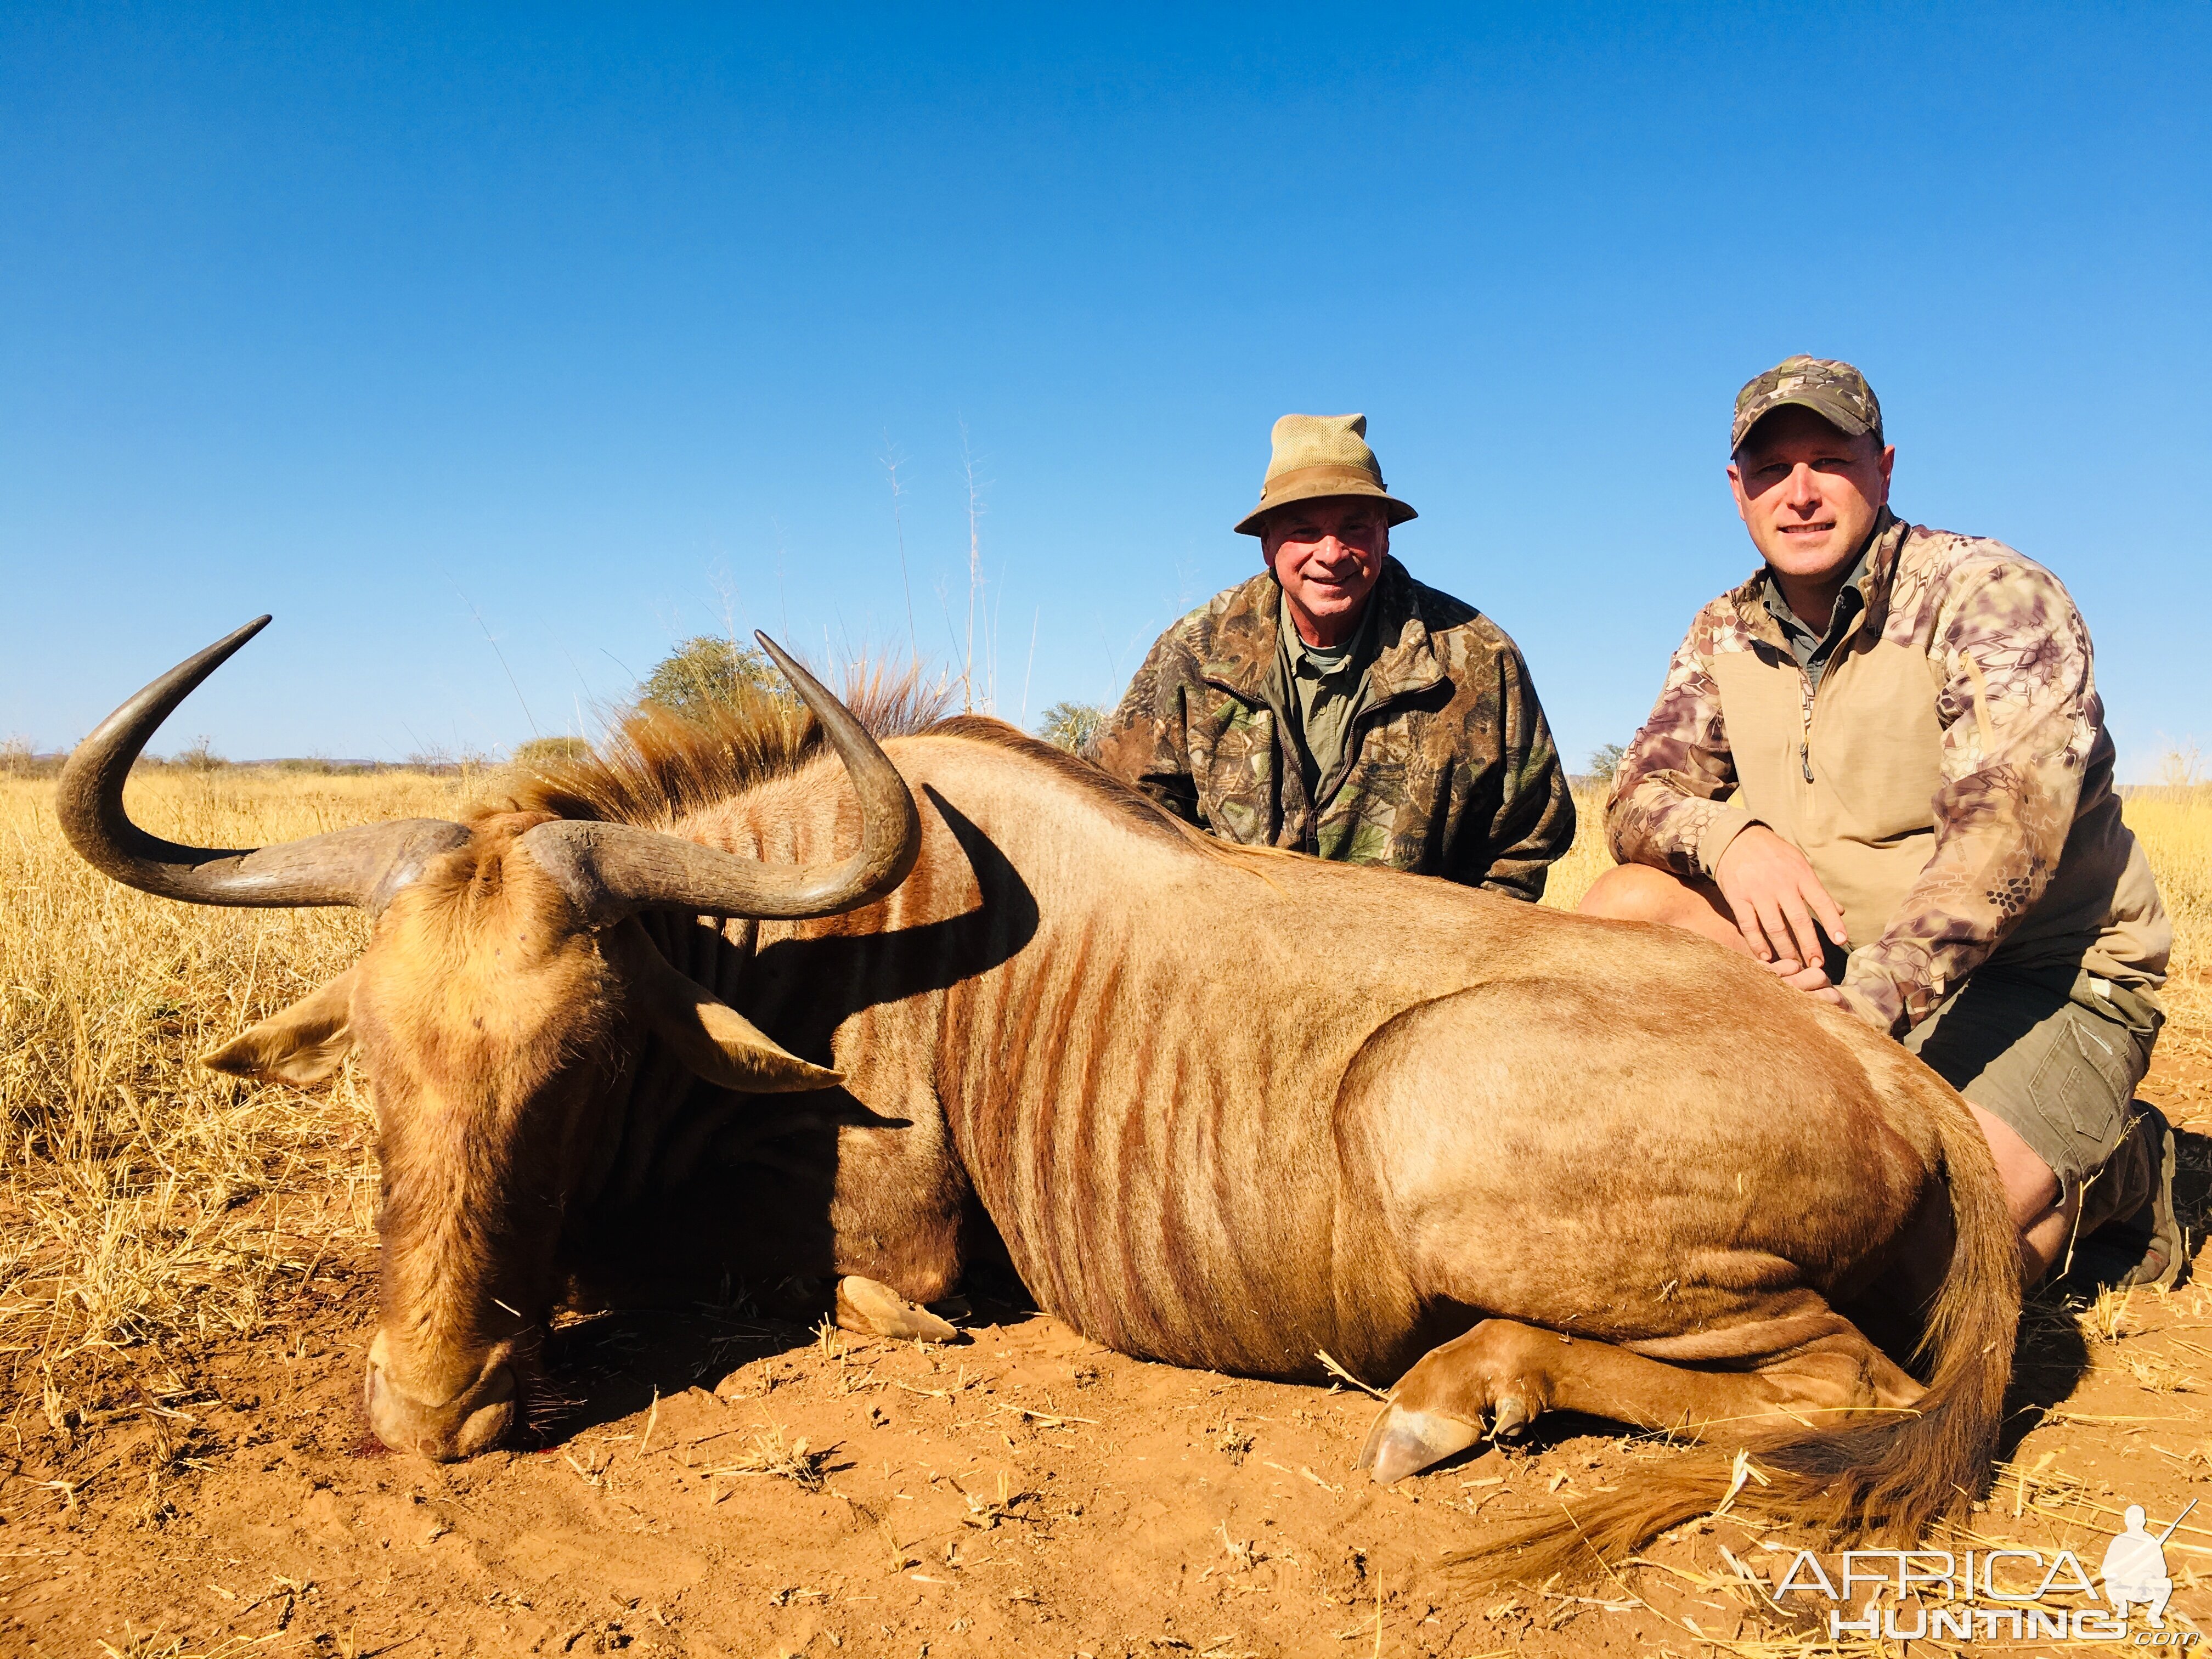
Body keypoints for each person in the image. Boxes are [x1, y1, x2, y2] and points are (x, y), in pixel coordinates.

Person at [1582, 356, 2178, 1288]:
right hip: (1834, 967)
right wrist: (1725, 837)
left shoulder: (1989, 594)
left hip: (2038, 975)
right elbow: (1634, 800)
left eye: (1830, 459)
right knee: (1624, 902)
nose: (1802, 493)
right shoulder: (1722, 630)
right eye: (1773, 469)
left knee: (1911, 1262)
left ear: (1885, 467)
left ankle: (2125, 1170)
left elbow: (2003, 840)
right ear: (1738, 491)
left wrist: (1860, 1014)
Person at [1094, 413, 1574, 899]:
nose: (1331, 553)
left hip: (1414, 957)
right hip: (1232, 950)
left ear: (1384, 535)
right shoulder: (1194, 651)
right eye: (1302, 530)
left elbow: (1523, 845)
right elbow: (1122, 813)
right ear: (1267, 544)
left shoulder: (1479, 658)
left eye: (1354, 526)